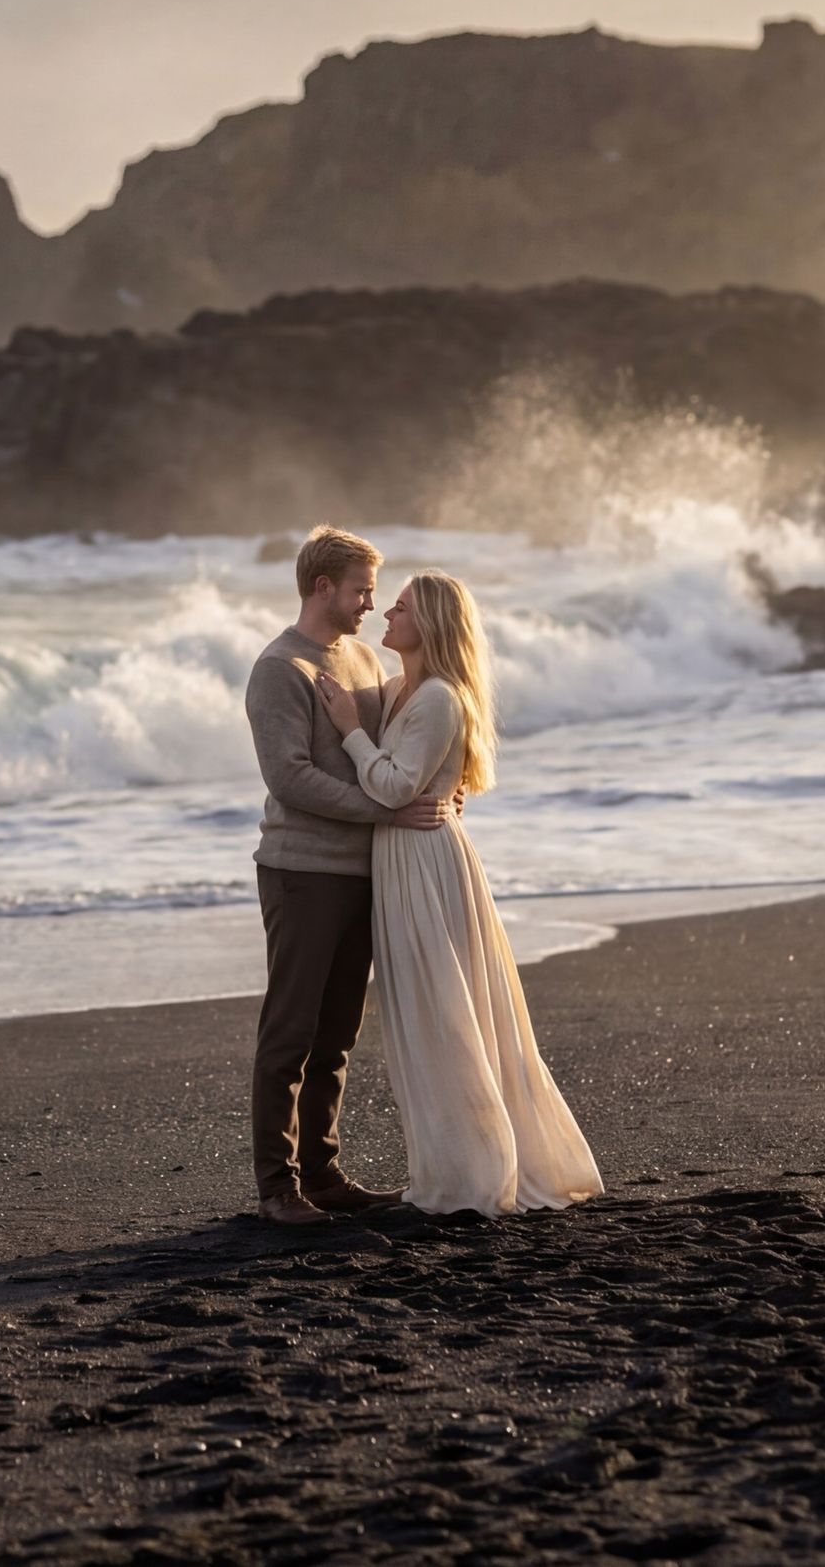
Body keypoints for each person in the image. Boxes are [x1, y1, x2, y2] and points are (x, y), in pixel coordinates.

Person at [314, 569, 603, 1217]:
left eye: (402, 606)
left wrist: (349, 729)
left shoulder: (441, 698)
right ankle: (454, 1166)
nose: (387, 613)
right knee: (424, 1018)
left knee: (445, 1014)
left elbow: (395, 787)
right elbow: (413, 779)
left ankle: (475, 1176)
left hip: (426, 862)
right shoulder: (397, 690)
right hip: (401, 859)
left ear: (432, 623)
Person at [239, 526, 451, 1227]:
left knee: (336, 1036)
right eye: (361, 590)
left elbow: (405, 743)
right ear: (322, 586)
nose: (369, 603)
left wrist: (443, 789)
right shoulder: (280, 668)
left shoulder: (362, 658)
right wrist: (384, 811)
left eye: (374, 591)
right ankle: (278, 1188)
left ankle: (323, 1175)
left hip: (363, 870)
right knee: (290, 1032)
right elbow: (289, 778)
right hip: (301, 871)